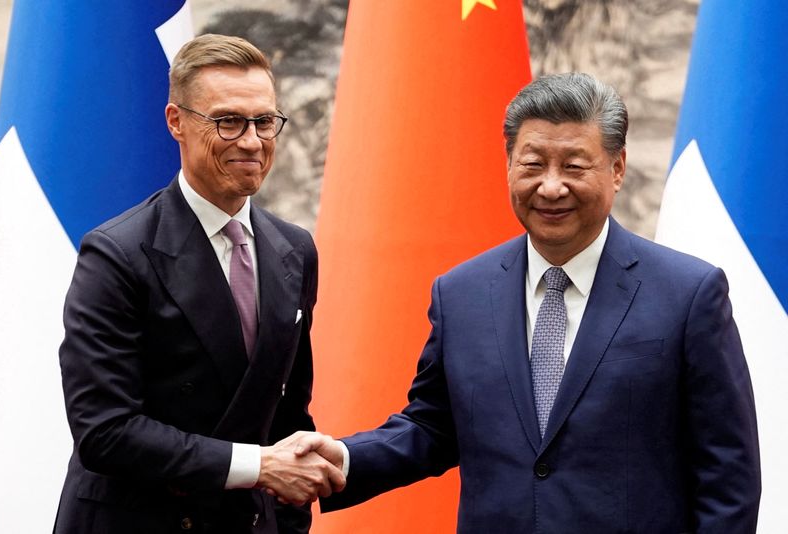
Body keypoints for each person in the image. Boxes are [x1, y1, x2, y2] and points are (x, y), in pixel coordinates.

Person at [290, 73, 761, 533]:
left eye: (574, 166)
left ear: (617, 169)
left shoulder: (689, 293)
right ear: (509, 164)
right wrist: (346, 458)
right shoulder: (461, 294)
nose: (551, 187)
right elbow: (433, 427)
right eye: (533, 165)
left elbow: (728, 472)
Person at [53, 34, 344, 534]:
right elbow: (105, 431)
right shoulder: (117, 253)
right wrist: (258, 467)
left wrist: (289, 517)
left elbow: (286, 411)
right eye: (228, 121)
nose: (251, 141)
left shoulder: (294, 249)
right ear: (176, 122)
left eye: (264, 121)